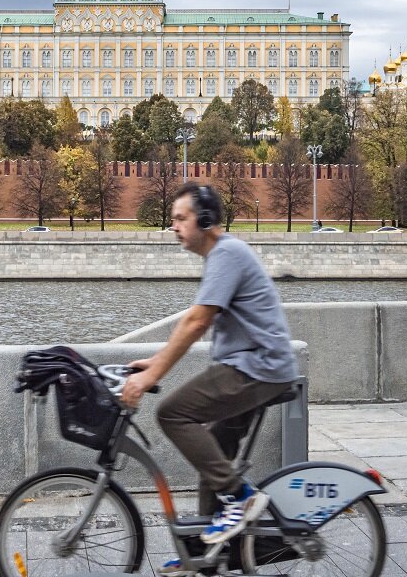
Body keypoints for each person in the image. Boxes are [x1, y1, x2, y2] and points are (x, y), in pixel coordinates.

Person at [121, 183, 298, 571]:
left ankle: (241, 498)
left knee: (172, 413)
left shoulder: (226, 254)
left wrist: (154, 372)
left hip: (258, 368)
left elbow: (197, 320)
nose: (174, 227)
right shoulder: (222, 256)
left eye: (181, 218)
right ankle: (206, 557)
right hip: (255, 367)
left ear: (205, 219)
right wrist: (153, 360)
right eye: (173, 220)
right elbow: (197, 322)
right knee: (212, 455)